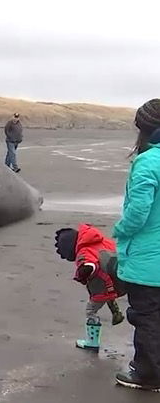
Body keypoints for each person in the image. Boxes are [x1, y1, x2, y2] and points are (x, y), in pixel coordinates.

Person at [113, 99, 160, 391]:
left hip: (149, 261)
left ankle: (149, 373)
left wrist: (121, 230)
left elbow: (138, 211)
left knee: (146, 317)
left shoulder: (149, 162)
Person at [54, 224, 125, 352]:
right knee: (108, 294)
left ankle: (91, 342)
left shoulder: (83, 252)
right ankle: (116, 313)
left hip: (103, 284)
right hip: (119, 279)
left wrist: (81, 274)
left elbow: (90, 266)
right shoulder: (101, 241)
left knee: (91, 310)